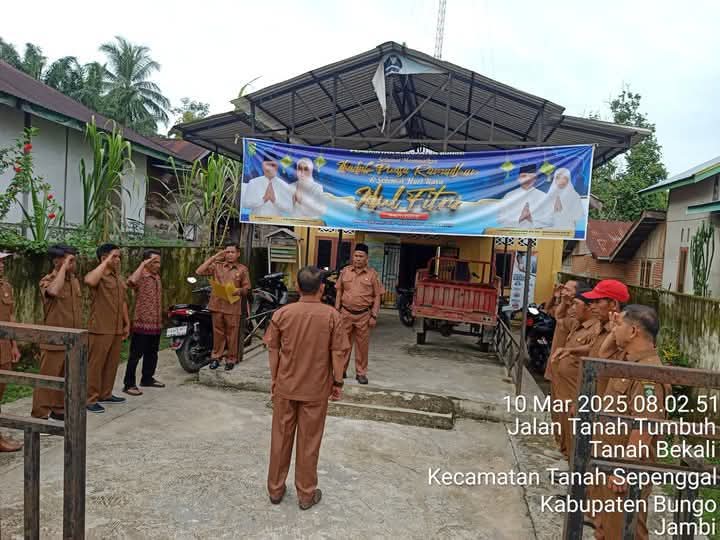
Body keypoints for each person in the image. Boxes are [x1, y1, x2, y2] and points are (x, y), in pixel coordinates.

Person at [263, 266, 349, 510]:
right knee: (309, 442)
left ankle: (275, 490)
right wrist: (338, 382)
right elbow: (338, 352)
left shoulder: (282, 314)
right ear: (322, 288)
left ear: (298, 287)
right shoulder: (332, 316)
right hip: (316, 390)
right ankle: (306, 494)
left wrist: (275, 379)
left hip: (286, 386)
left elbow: (272, 348)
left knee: (280, 439)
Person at [591, 305, 668, 540]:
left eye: (619, 326)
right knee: (605, 530)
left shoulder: (649, 374)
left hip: (623, 473)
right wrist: (616, 327)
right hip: (608, 464)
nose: (613, 330)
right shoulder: (627, 360)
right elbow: (603, 354)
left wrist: (624, 470)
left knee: (626, 532)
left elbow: (644, 427)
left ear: (633, 331)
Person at [548, 288, 601, 459]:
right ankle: (565, 454)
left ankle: (572, 461)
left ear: (588, 307)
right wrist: (564, 301)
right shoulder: (577, 324)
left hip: (574, 391)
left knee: (573, 430)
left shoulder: (595, 329)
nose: (572, 308)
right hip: (562, 387)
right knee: (562, 425)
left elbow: (594, 352)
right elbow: (559, 317)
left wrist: (571, 350)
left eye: (576, 304)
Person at [32, 244, 82, 422]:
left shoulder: (74, 281)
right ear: (56, 261)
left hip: (71, 340)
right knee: (47, 380)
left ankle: (58, 410)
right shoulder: (47, 280)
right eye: (69, 260)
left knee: (65, 378)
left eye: (74, 260)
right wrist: (63, 268)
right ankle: (39, 415)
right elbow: (52, 292)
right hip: (53, 341)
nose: (73, 263)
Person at [85, 244, 130, 414]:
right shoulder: (98, 275)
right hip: (100, 328)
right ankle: (90, 399)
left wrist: (126, 322)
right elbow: (89, 281)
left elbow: (122, 301)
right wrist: (104, 263)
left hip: (116, 327)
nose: (118, 260)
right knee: (95, 365)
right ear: (104, 258)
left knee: (111, 364)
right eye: (114, 257)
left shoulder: (117, 277)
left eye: (119, 257)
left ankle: (105, 393)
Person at [196, 243, 251, 371]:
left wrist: (238, 291)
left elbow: (247, 288)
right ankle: (216, 358)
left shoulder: (242, 269)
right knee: (218, 334)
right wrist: (215, 256)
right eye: (227, 252)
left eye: (232, 252)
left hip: (233, 306)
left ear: (238, 254)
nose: (229, 254)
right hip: (217, 305)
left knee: (232, 335)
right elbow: (199, 271)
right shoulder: (217, 266)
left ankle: (231, 359)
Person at [334, 243, 384, 384]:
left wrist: (374, 315)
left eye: (361, 256)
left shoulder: (372, 275)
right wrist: (337, 310)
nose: (358, 258)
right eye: (356, 255)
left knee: (362, 346)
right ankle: (341, 370)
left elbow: (377, 296)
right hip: (345, 314)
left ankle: (361, 373)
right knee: (343, 344)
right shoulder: (345, 272)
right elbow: (339, 291)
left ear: (366, 258)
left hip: (364, 316)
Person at [123, 249, 165, 396]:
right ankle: (129, 384)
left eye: (159, 262)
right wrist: (142, 265)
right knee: (135, 355)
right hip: (142, 323)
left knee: (152, 353)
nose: (158, 265)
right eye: (154, 262)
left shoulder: (157, 277)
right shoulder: (141, 275)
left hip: (156, 323)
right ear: (146, 262)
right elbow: (130, 282)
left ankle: (147, 378)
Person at [0, 251, 22, 452]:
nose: (1, 265)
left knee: (1, 391)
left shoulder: (6, 287)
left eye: (2, 261)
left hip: (4, 347)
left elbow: (11, 316)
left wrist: (14, 345)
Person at [497, 164, 552, 228]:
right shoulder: (509, 196)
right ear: (519, 179)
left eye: (531, 177)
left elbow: (550, 220)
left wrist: (531, 219)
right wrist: (519, 218)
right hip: (513, 232)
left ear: (535, 179)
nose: (527, 180)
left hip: (536, 232)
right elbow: (500, 219)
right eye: (524, 176)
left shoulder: (543, 196)